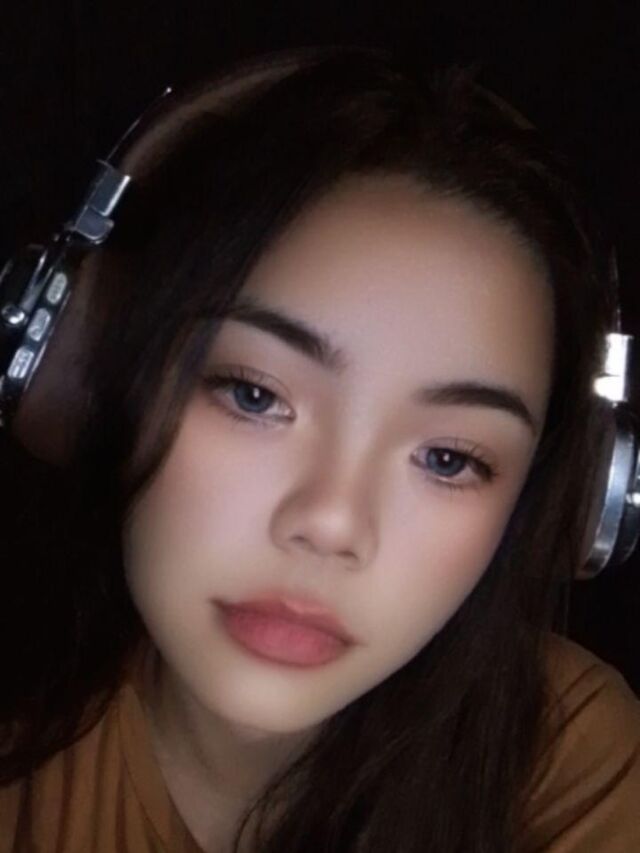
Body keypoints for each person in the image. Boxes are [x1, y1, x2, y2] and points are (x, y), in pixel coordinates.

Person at [1, 45, 639, 853]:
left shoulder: (572, 759)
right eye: (254, 395)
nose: (332, 523)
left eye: (449, 458)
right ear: (88, 380)